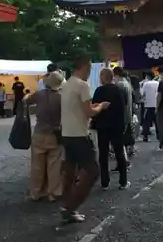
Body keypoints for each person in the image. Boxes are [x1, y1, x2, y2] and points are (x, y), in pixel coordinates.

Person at [59, 56, 110, 223]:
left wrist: (94, 107)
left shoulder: (66, 85)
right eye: (88, 69)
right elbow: (89, 113)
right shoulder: (83, 85)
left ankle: (67, 205)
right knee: (93, 171)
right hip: (79, 135)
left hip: (67, 133)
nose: (89, 73)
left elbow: (80, 110)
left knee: (70, 172)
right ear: (83, 67)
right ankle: (70, 208)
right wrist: (101, 106)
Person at [24, 71, 64, 201]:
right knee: (54, 166)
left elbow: (26, 101)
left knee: (37, 165)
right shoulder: (61, 97)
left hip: (39, 132)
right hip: (55, 133)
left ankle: (36, 192)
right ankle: (53, 193)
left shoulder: (39, 95)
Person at [92, 68, 129, 190]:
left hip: (102, 126)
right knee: (119, 153)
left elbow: (94, 108)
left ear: (103, 77)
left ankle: (104, 182)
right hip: (117, 126)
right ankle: (123, 181)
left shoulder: (98, 91)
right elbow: (123, 109)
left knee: (103, 154)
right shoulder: (118, 90)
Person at [113, 67, 134, 157]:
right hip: (128, 113)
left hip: (122, 115)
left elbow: (121, 102)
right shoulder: (127, 83)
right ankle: (129, 152)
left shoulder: (120, 85)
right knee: (126, 136)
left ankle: (124, 161)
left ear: (116, 74)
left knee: (120, 140)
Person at [141, 71, 158, 142]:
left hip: (147, 105)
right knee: (157, 122)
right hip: (156, 105)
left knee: (146, 122)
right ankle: (159, 137)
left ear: (147, 76)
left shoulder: (145, 84)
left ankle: (145, 137)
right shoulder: (158, 83)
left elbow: (142, 94)